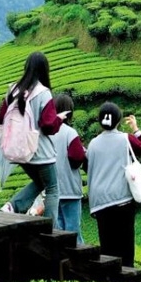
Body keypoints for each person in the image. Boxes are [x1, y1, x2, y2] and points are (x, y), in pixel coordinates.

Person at [86, 102, 141, 267]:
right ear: (119, 120)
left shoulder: (93, 144)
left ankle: (109, 280)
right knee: (125, 244)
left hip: (99, 200)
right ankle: (127, 279)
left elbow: (87, 166)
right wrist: (136, 129)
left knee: (107, 245)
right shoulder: (125, 138)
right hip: (121, 198)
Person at [0, 51, 62, 219]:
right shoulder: (43, 93)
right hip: (40, 151)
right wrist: (59, 120)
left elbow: (1, 118)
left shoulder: (12, 89)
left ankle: (12, 206)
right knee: (52, 188)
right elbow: (48, 125)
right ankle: (50, 229)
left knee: (40, 182)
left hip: (20, 152)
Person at [49, 93, 85, 243]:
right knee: (73, 233)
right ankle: (78, 265)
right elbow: (77, 158)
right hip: (70, 190)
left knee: (58, 233)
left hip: (52, 191)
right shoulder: (70, 133)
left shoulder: (46, 132)